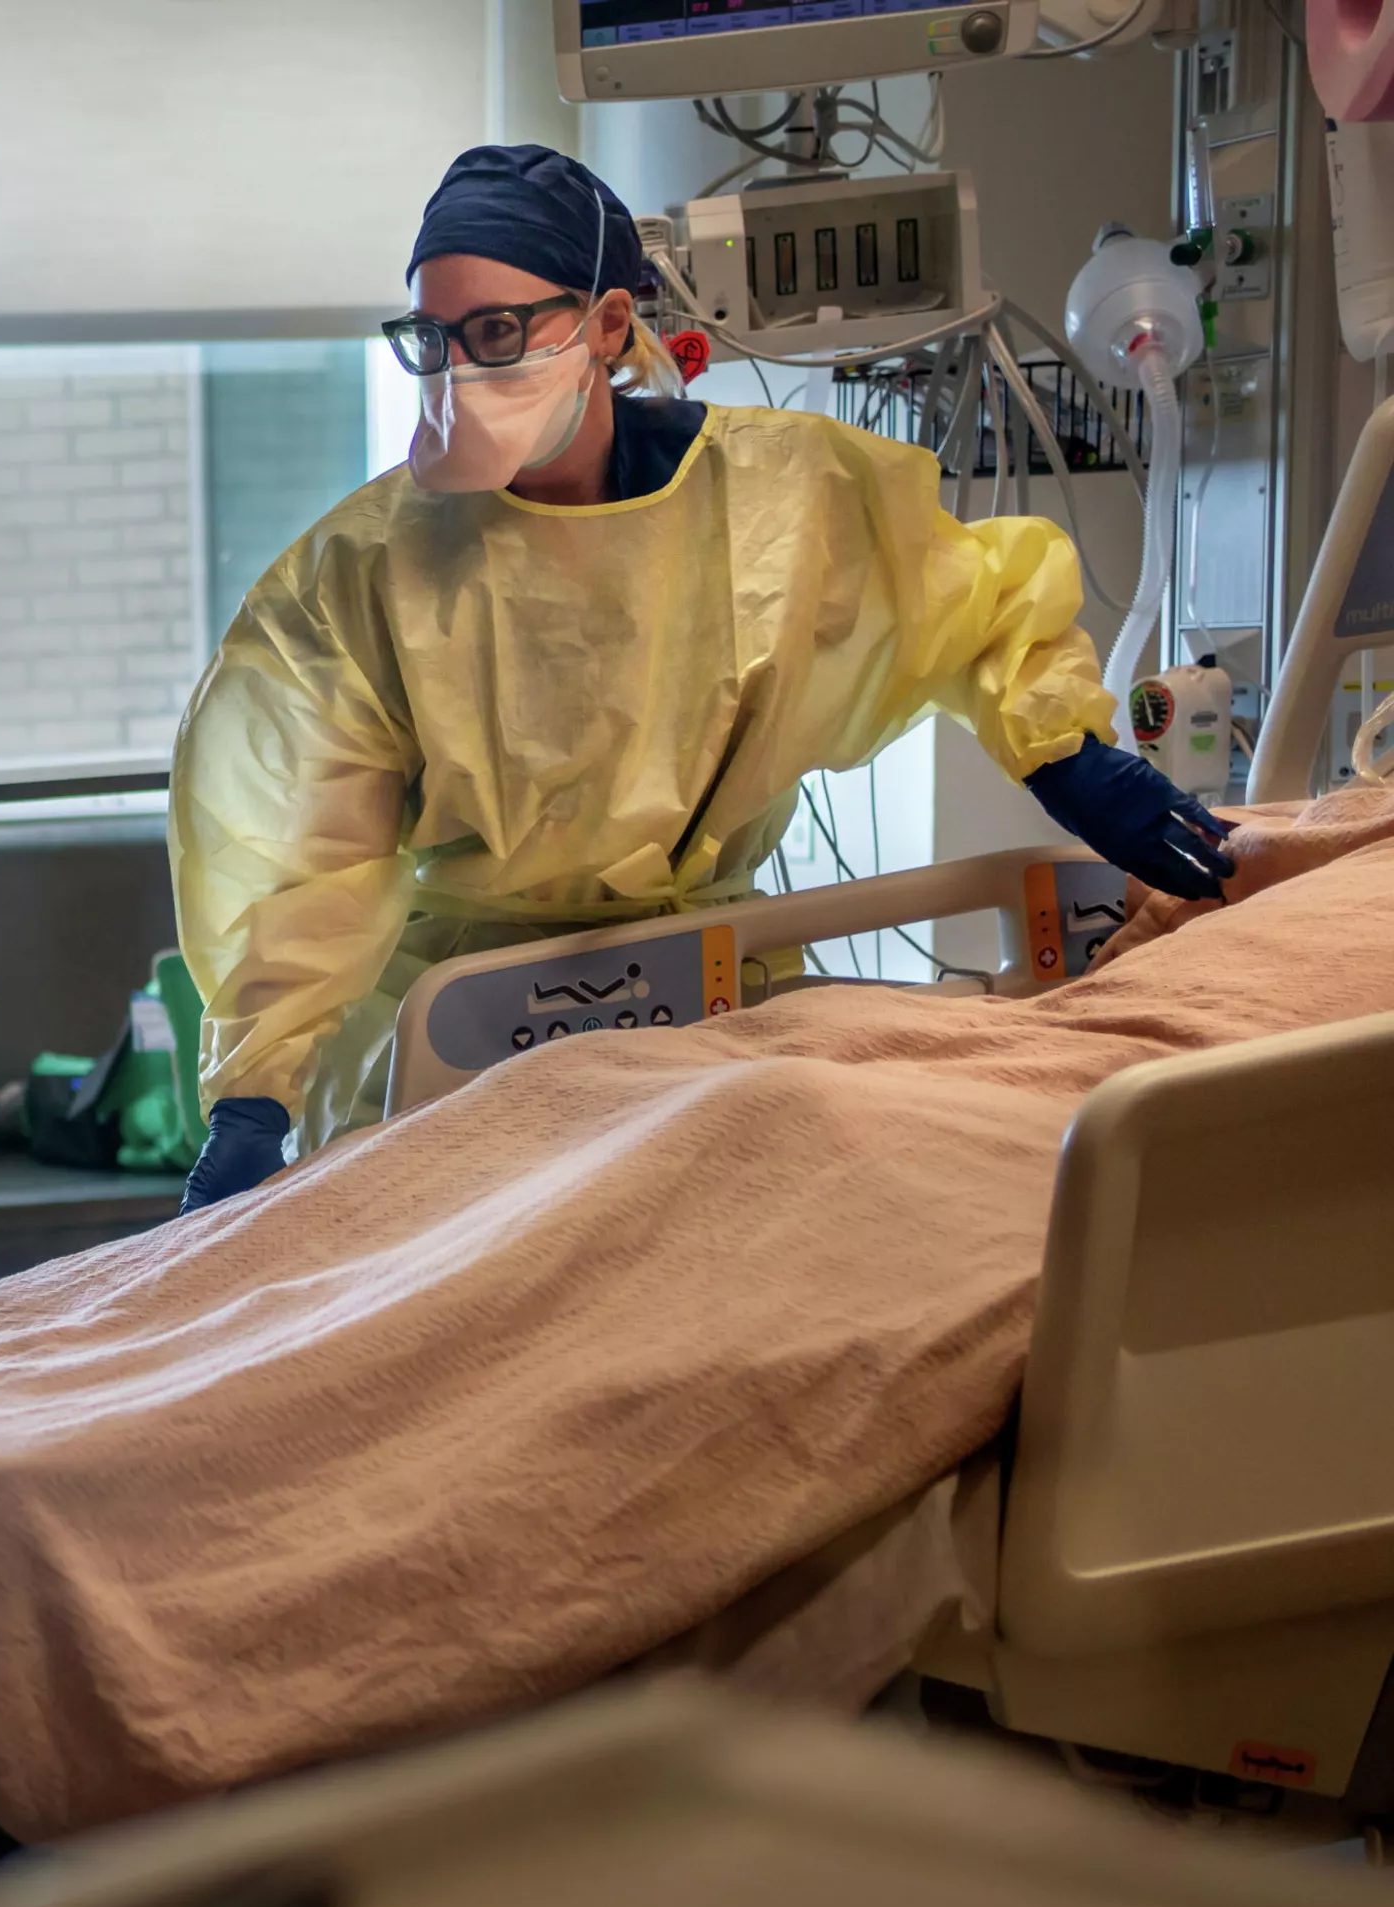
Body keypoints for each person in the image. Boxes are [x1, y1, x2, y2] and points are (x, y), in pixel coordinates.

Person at [170, 144, 1234, 1213]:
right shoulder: (360, 575)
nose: (458, 373)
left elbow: (969, 605)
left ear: (606, 325)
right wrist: (256, 1096)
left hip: (723, 1013)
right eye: (432, 340)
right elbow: (308, 858)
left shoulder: (780, 501)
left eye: (495, 332)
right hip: (460, 1046)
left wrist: (1068, 757)